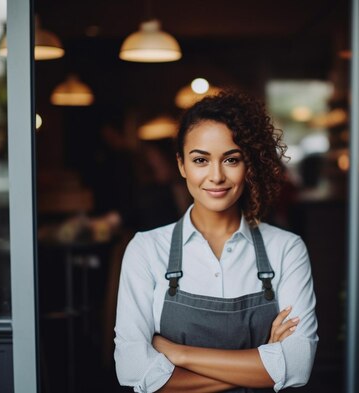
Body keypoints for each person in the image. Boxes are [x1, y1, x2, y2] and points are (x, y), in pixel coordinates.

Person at [114, 91, 318, 392]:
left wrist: (180, 355)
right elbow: (131, 370)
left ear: (248, 165)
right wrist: (264, 363)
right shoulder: (146, 250)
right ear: (182, 165)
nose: (216, 176)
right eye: (200, 160)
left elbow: (298, 366)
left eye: (231, 159)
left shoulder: (286, 249)